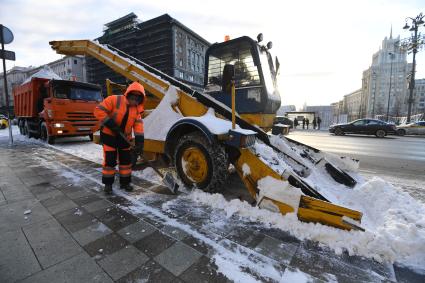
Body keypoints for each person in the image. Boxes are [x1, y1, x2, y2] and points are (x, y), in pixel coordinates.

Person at [94, 82, 145, 194]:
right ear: (128, 94)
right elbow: (98, 110)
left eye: (138, 98)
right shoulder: (114, 99)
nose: (135, 100)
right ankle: (108, 184)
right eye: (133, 96)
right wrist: (111, 124)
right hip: (109, 136)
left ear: (141, 100)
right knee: (110, 161)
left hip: (124, 139)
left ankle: (125, 183)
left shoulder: (137, 111)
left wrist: (140, 143)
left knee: (126, 162)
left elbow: (138, 127)